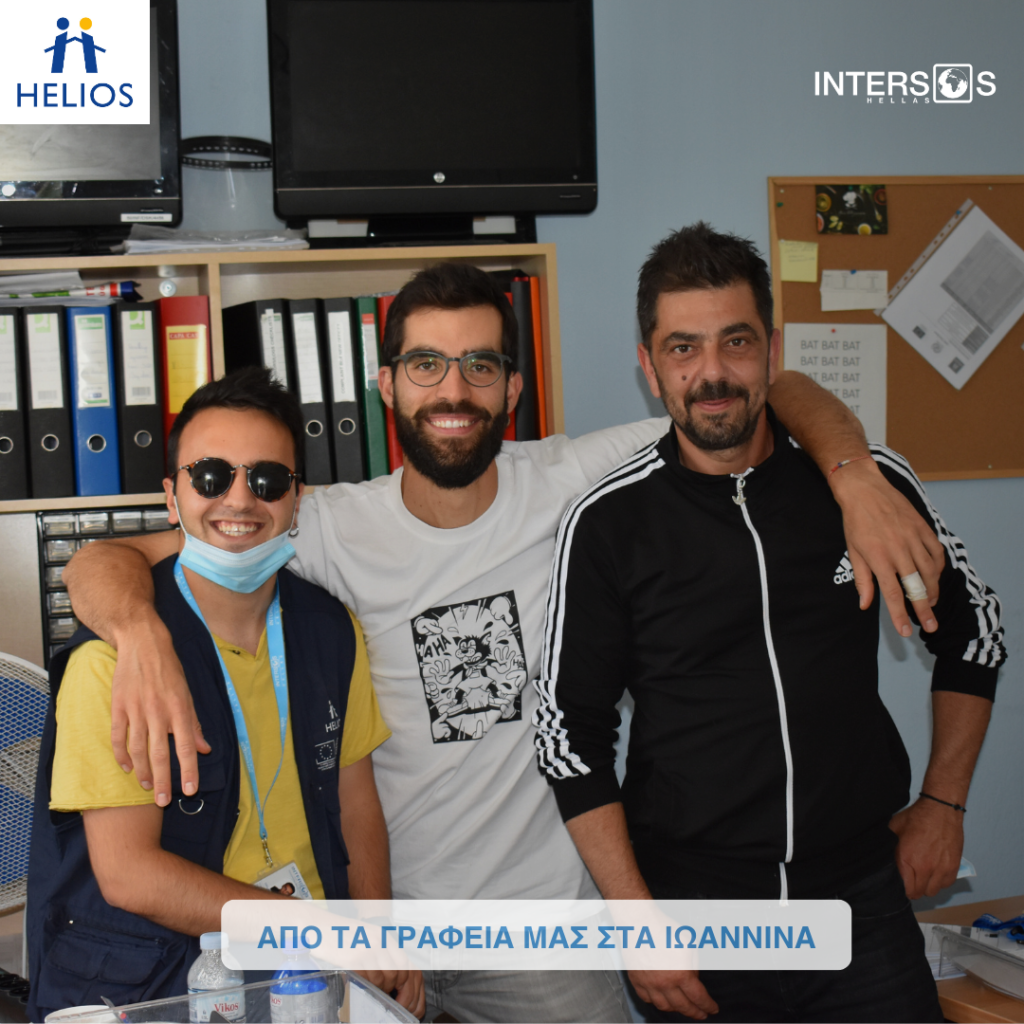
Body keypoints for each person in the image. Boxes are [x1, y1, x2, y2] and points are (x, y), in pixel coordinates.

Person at [64, 263, 946, 1023]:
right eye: (427, 365)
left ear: (513, 390)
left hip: (543, 934)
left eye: (480, 366)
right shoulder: (318, 520)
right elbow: (107, 559)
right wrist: (139, 634)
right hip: (382, 927)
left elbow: (755, 393)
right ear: (387, 385)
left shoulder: (577, 482)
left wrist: (853, 476)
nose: (453, 392)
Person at [534, 224, 1005, 1023]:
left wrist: (944, 803)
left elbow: (975, 633)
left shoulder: (867, 488)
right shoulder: (609, 524)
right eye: (683, 348)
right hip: (698, 918)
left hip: (861, 905)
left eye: (737, 341)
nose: (712, 373)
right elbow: (567, 731)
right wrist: (634, 920)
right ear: (649, 367)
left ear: (773, 352)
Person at [27, 369, 422, 1020]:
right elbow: (128, 874)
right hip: (158, 983)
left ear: (297, 499)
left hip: (308, 975)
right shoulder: (115, 659)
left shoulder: (330, 630)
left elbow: (357, 805)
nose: (239, 499)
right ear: (172, 495)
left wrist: (376, 934)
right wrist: (319, 932)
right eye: (211, 476)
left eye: (267, 480)